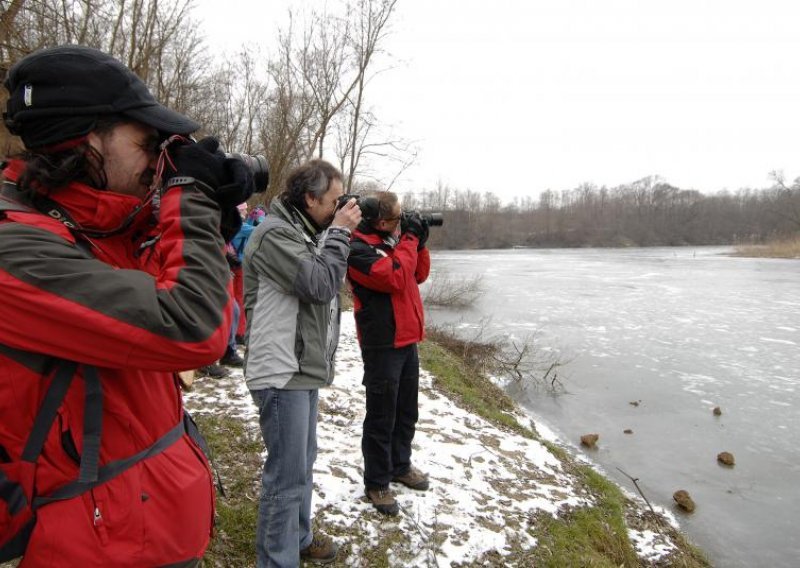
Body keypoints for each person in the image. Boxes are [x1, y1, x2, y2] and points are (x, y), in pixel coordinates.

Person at [0, 45, 253, 566]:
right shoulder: (15, 249)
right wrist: (191, 199)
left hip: (144, 522)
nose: (160, 159)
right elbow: (192, 328)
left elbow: (216, 318)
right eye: (149, 141)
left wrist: (214, 221)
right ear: (89, 140)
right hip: (90, 544)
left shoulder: (92, 224)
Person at [243, 159, 361, 567]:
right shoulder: (275, 235)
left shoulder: (304, 232)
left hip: (301, 369)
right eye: (332, 201)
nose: (338, 207)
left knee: (302, 465)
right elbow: (319, 285)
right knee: (286, 476)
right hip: (279, 370)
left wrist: (334, 234)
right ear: (309, 198)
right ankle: (277, 559)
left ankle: (299, 537)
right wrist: (341, 233)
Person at [346, 191, 431, 516]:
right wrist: (408, 239)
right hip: (382, 345)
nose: (401, 223)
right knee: (382, 417)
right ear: (380, 220)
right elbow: (394, 278)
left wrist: (418, 242)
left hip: (407, 340)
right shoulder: (358, 249)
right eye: (397, 218)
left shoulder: (392, 241)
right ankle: (377, 482)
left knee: (406, 412)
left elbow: (418, 274)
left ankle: (400, 465)